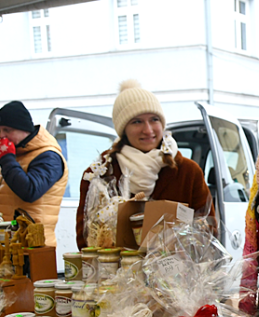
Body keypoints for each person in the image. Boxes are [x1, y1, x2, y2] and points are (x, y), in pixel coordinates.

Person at [75, 80, 214, 248]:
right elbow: (85, 238)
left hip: (177, 272)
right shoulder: (100, 173)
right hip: (115, 270)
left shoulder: (188, 172)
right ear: (123, 128)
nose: (148, 130)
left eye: (154, 120)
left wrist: (178, 244)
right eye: (137, 122)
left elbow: (209, 231)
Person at [0, 101, 68, 247]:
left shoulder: (48, 156)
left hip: (31, 245)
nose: (1, 136)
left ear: (23, 129)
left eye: (7, 130)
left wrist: (6, 159)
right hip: (6, 242)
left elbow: (30, 191)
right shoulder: (16, 157)